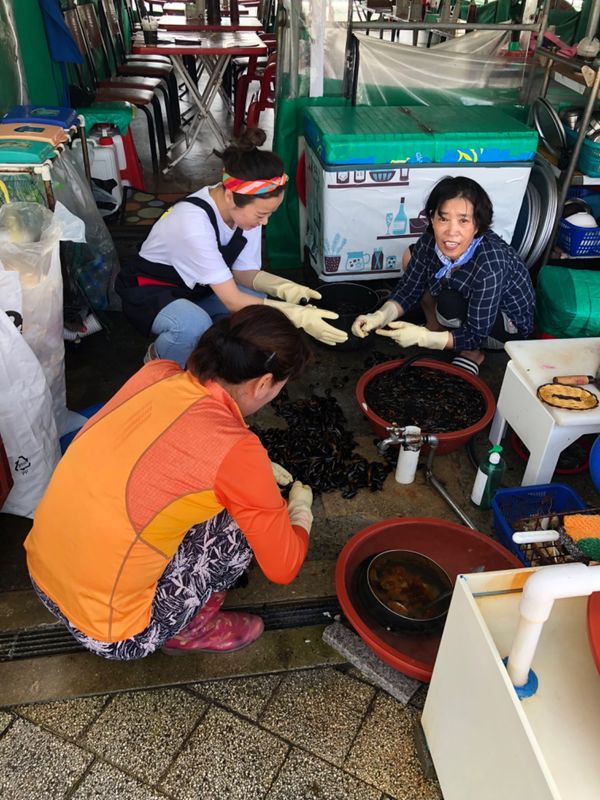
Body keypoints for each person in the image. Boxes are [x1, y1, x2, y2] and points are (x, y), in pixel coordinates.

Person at [24, 306, 315, 658]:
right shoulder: (237, 451)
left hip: (42, 576)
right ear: (264, 383)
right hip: (112, 633)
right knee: (240, 530)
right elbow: (284, 567)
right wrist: (298, 514)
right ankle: (191, 629)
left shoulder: (158, 373)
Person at [115, 127, 346, 367]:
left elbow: (243, 272)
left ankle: (206, 350)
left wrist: (285, 288)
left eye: (269, 214)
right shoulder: (193, 223)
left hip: (197, 289)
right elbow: (233, 300)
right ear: (230, 197)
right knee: (192, 325)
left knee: (257, 298)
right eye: (261, 214)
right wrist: (297, 315)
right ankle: (159, 361)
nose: (264, 222)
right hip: (152, 291)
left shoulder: (244, 212)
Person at [352, 176, 535, 375]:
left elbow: (476, 333)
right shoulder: (429, 241)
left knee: (450, 301)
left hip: (506, 327)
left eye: (463, 220)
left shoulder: (490, 263)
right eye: (443, 218)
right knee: (411, 257)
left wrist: (423, 338)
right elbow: (408, 290)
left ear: (477, 225)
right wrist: (379, 316)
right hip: (464, 304)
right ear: (432, 218)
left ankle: (471, 353)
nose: (451, 232)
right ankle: (436, 328)